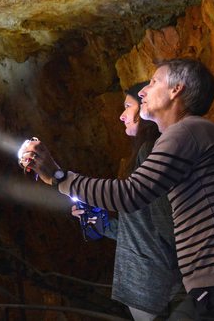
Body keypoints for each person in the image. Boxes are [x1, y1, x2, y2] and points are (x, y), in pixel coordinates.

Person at [20, 58, 214, 320]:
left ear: (176, 89)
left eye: (154, 81)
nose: (143, 91)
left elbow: (130, 195)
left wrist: (59, 177)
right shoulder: (193, 134)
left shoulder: (186, 132)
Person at [71, 82, 182, 320]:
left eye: (127, 107)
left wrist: (61, 179)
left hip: (155, 287)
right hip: (149, 286)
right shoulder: (147, 152)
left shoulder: (151, 152)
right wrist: (105, 225)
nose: (121, 116)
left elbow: (167, 226)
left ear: (145, 106)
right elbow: (144, 228)